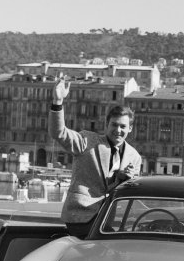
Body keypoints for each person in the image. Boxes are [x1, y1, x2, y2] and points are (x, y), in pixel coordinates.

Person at [49, 76, 142, 238]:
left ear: (130, 129)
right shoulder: (87, 141)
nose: (118, 130)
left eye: (123, 126)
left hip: (112, 219)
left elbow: (130, 194)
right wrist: (57, 102)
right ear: (107, 125)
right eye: (114, 125)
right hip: (81, 216)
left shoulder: (135, 157)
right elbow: (59, 133)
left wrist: (125, 180)